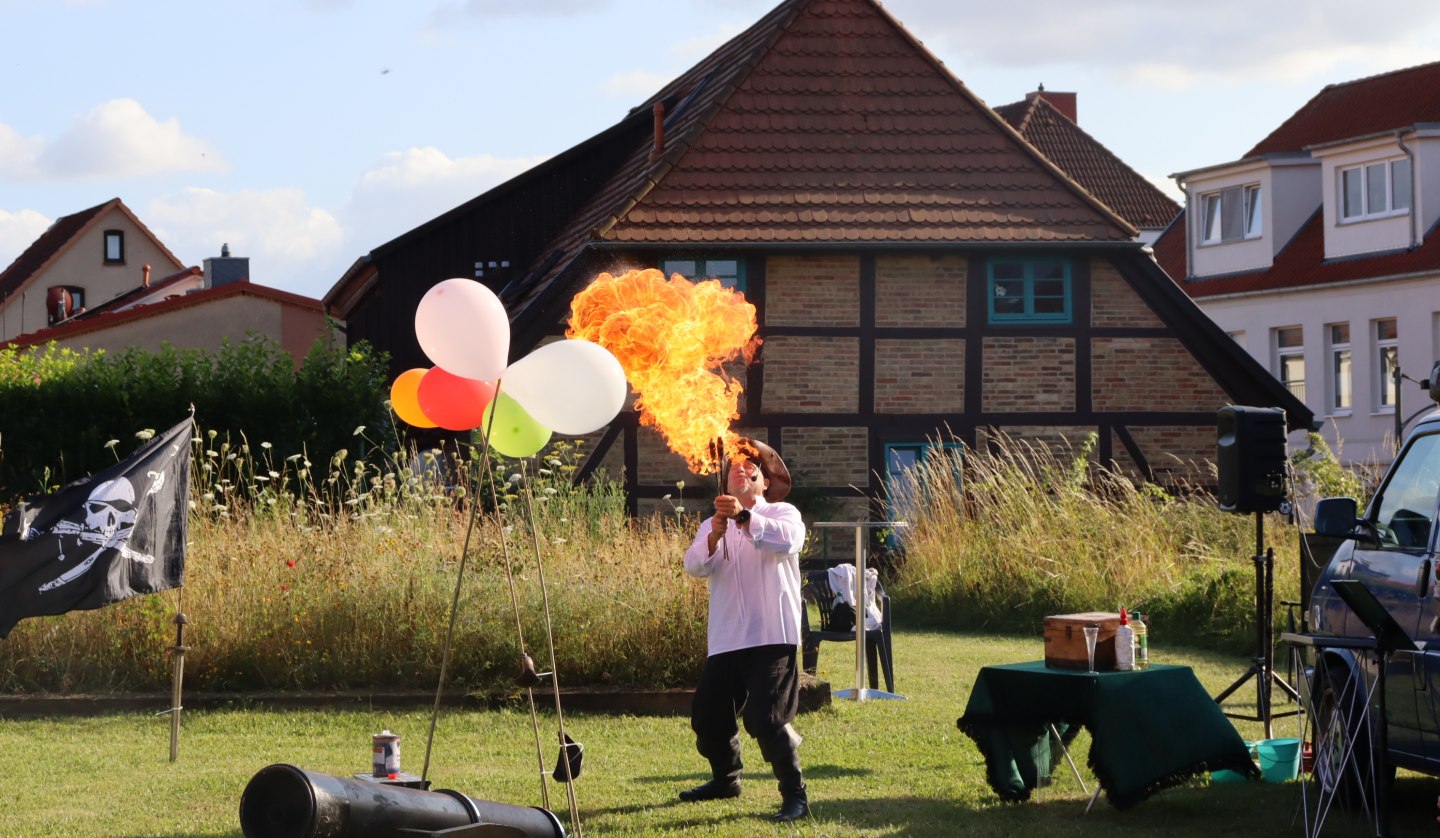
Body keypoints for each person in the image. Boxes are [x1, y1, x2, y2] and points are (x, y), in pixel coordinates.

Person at [679, 437, 809, 822]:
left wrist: (743, 518)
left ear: (763, 482)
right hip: (727, 638)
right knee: (708, 717)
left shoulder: (783, 512)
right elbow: (694, 565)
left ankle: (795, 794)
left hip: (771, 634)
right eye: (732, 465)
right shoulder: (710, 523)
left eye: (749, 465)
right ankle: (727, 779)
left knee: (766, 718)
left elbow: (787, 542)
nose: (739, 467)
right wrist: (717, 533)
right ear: (725, 485)